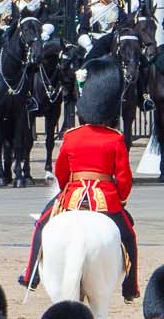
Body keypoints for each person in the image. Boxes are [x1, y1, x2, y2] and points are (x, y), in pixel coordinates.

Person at [21, 65, 137, 300]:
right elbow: (124, 178)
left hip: (73, 194)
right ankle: (130, 288)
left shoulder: (71, 136)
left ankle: (31, 276)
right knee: (129, 236)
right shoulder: (115, 139)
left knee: (42, 225)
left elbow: (60, 171)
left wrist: (65, 191)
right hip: (106, 198)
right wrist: (120, 198)